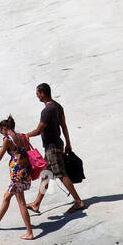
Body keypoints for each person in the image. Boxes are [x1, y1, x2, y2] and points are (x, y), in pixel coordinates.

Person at [26, 82, 86, 213]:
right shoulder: (58, 106)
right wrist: (68, 143)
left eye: (37, 94)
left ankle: (78, 201)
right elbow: (63, 126)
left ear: (43, 93)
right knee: (45, 175)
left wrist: (26, 136)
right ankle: (36, 203)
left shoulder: (47, 110)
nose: (37, 97)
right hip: (55, 145)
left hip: (52, 147)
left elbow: (39, 130)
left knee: (61, 174)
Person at [0, 117, 35, 240]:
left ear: (5, 129)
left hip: (17, 173)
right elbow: (26, 151)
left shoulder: (7, 140)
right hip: (25, 170)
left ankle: (29, 232)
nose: (2, 133)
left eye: (2, 131)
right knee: (7, 196)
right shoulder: (23, 136)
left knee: (21, 203)